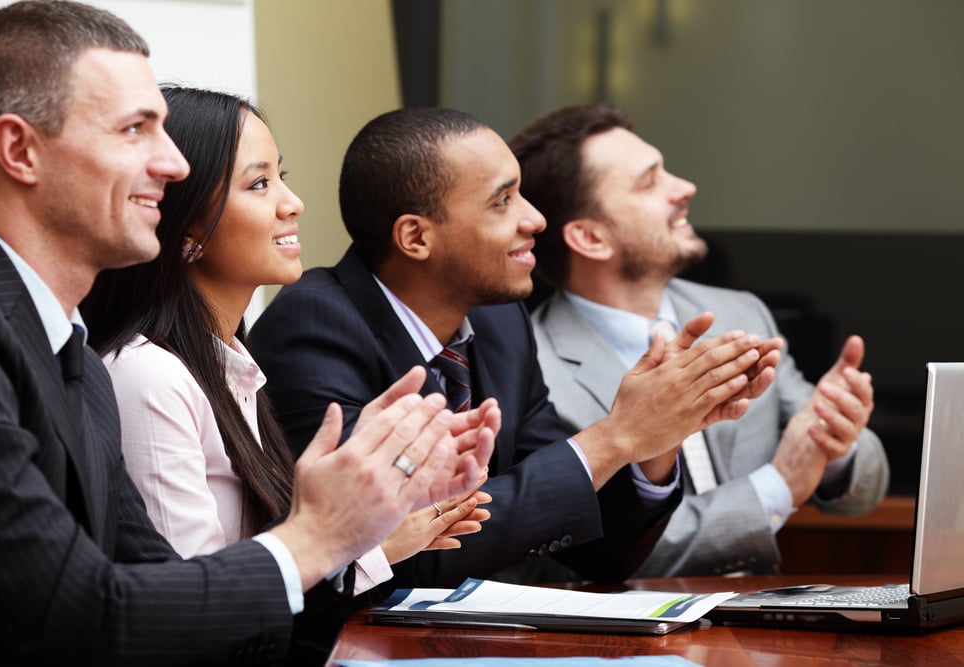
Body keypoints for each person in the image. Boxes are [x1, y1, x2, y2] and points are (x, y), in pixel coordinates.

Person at [0, 2, 491, 664]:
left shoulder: (78, 359)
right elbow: (76, 616)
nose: (174, 164)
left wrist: (364, 513)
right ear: (19, 150)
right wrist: (321, 531)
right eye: (135, 129)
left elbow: (161, 593)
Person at [248, 106, 784, 588]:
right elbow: (397, 555)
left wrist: (660, 437)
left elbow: (600, 553)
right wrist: (616, 437)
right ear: (415, 238)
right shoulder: (315, 325)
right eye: (503, 201)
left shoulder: (501, 323)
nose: (536, 220)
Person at [82, 85, 490, 592]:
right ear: (187, 227)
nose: (292, 203)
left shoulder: (228, 362)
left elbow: (254, 587)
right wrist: (343, 529)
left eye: (282, 177)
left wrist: (381, 529)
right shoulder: (149, 376)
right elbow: (196, 607)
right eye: (259, 184)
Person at [509, 103, 889, 577]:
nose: (685, 188)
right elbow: (614, 549)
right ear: (590, 237)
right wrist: (779, 486)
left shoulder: (740, 312)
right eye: (650, 182)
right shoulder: (536, 372)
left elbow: (861, 493)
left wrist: (837, 441)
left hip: (763, 635)